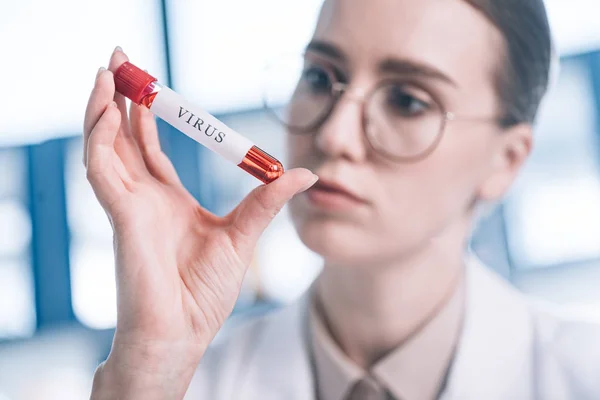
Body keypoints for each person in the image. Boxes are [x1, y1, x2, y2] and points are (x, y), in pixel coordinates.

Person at [86, 0, 600, 398]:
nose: (333, 136)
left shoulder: (580, 377)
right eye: (319, 77)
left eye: (408, 101)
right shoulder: (183, 384)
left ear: (506, 160)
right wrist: (148, 366)